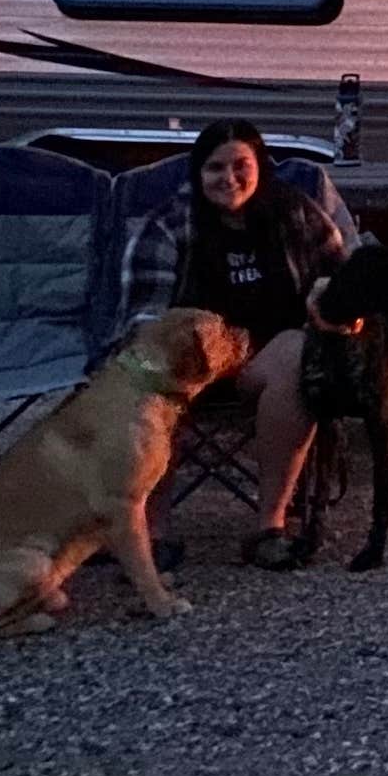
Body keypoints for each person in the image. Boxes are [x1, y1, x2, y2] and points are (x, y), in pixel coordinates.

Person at [134, 120, 350, 567]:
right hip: (189, 359)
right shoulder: (172, 223)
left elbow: (345, 278)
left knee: (297, 357)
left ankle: (269, 527)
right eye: (215, 168)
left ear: (260, 167)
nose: (228, 179)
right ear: (198, 172)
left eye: (240, 166)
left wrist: (330, 299)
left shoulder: (295, 212)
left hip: (262, 359)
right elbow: (144, 317)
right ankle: (151, 533)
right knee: (151, 370)